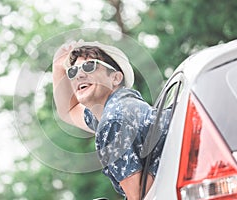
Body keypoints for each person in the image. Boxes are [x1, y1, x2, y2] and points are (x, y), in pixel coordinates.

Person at [52, 40, 169, 200]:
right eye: (72, 71)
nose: (78, 75)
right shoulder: (120, 106)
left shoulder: (113, 119)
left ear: (115, 78)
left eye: (89, 66)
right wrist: (58, 67)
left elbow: (139, 197)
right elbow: (68, 110)